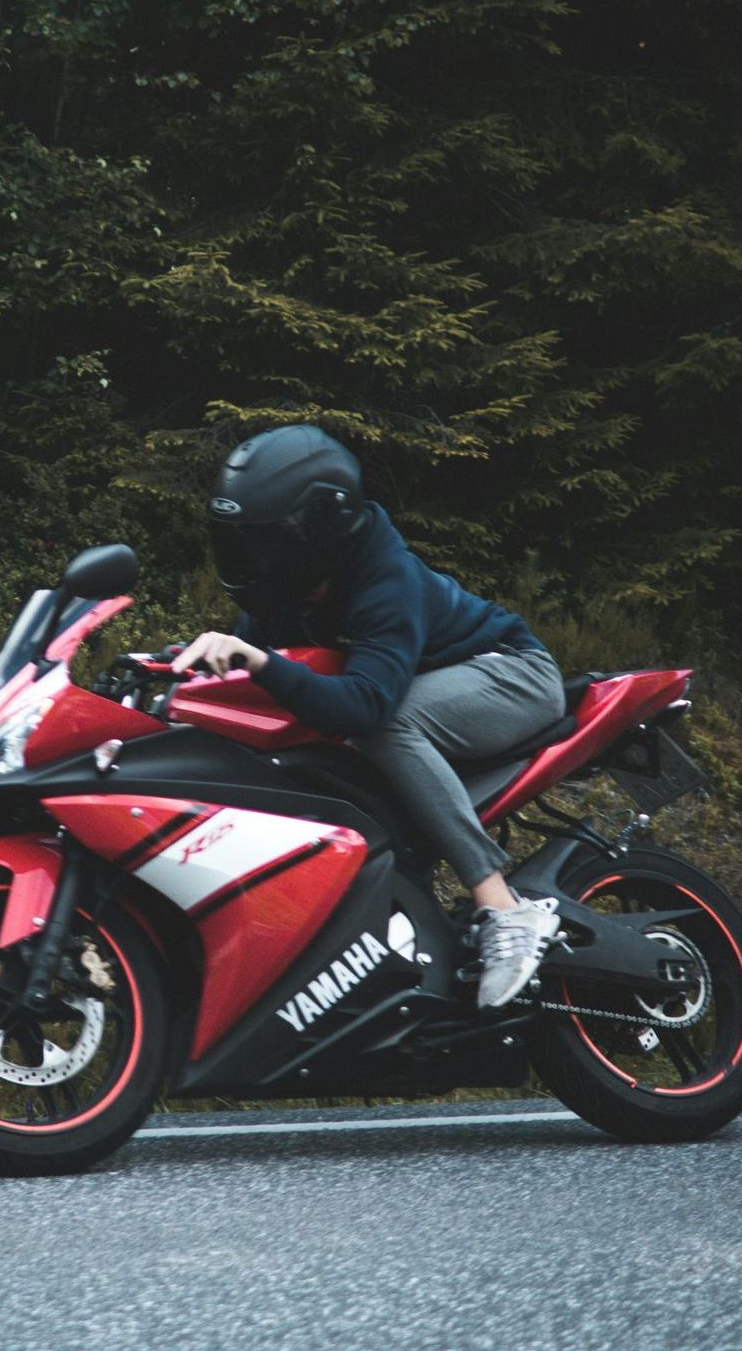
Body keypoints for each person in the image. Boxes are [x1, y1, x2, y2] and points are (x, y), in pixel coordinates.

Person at [172, 424, 567, 1010]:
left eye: (262, 543)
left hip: (513, 674)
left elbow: (364, 706)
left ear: (313, 533)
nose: (248, 558)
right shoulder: (280, 593)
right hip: (432, 689)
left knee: (385, 726)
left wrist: (259, 661)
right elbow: (252, 683)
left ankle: (502, 908)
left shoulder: (385, 578)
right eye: (239, 541)